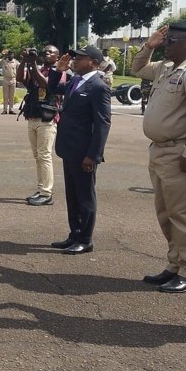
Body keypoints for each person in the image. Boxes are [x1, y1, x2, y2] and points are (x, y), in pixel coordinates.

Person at [132, 21, 186, 293]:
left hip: (181, 151)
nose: (166, 44)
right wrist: (149, 45)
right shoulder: (166, 68)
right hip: (161, 151)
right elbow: (137, 68)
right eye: (166, 40)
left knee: (185, 215)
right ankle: (175, 264)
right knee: (166, 213)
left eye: (172, 41)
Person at [52, 47, 112, 254]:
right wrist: (58, 70)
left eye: (80, 58)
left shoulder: (99, 87)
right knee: (72, 195)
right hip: (69, 148)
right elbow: (53, 88)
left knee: (85, 196)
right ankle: (75, 234)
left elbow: (103, 124)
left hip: (84, 152)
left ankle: (85, 239)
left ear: (94, 62)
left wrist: (93, 155)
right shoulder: (76, 81)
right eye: (75, 57)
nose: (75, 61)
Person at [18, 46, 65, 205]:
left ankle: (47, 193)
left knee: (44, 155)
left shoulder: (59, 72)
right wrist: (25, 61)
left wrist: (32, 64)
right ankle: (41, 189)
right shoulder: (37, 68)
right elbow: (20, 78)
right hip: (33, 117)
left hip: (47, 119)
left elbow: (45, 84)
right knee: (38, 156)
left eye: (51, 52)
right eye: (45, 51)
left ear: (57, 57)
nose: (47, 53)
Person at [0, 50, 18, 114]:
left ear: (13, 55)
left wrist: (18, 81)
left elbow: (18, 70)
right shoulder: (3, 61)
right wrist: (1, 54)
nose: (11, 55)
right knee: (5, 96)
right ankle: (5, 110)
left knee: (12, 96)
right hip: (6, 79)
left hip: (13, 79)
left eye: (12, 54)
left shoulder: (15, 62)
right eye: (9, 54)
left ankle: (11, 109)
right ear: (7, 55)